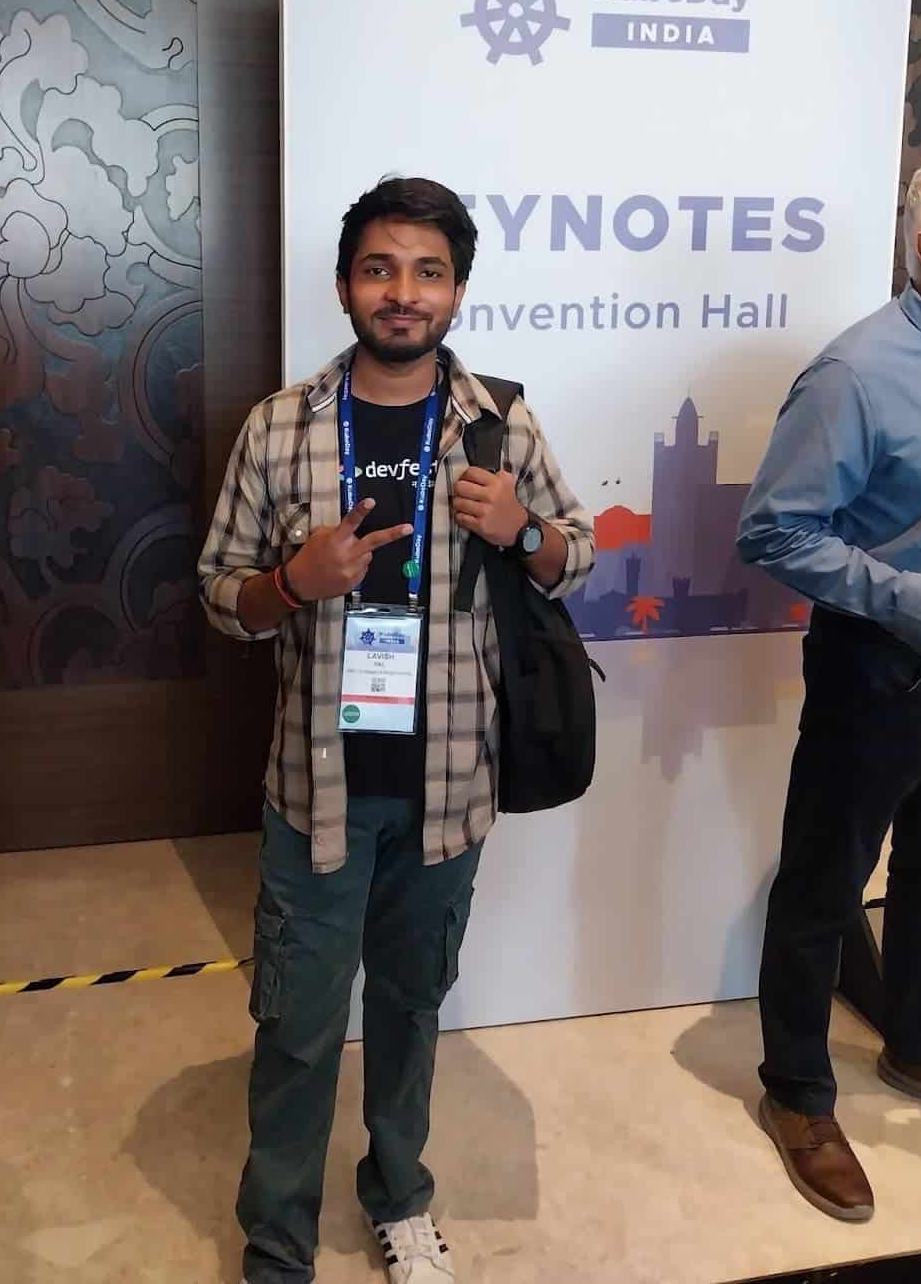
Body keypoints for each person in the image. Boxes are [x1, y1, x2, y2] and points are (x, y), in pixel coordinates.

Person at [199, 177, 594, 1284]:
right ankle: (277, 1233)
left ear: (457, 290)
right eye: (380, 268)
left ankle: (399, 1194)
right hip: (314, 789)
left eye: (427, 271)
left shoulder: (495, 422)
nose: (403, 292)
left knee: (412, 1011)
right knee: (296, 1024)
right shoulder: (280, 426)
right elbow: (216, 595)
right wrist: (291, 578)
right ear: (345, 285)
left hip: (448, 785)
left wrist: (523, 532)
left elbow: (581, 553)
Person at [737, 148, 921, 1224]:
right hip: (883, 664)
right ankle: (798, 1092)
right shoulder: (858, 374)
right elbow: (774, 532)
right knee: (826, 881)